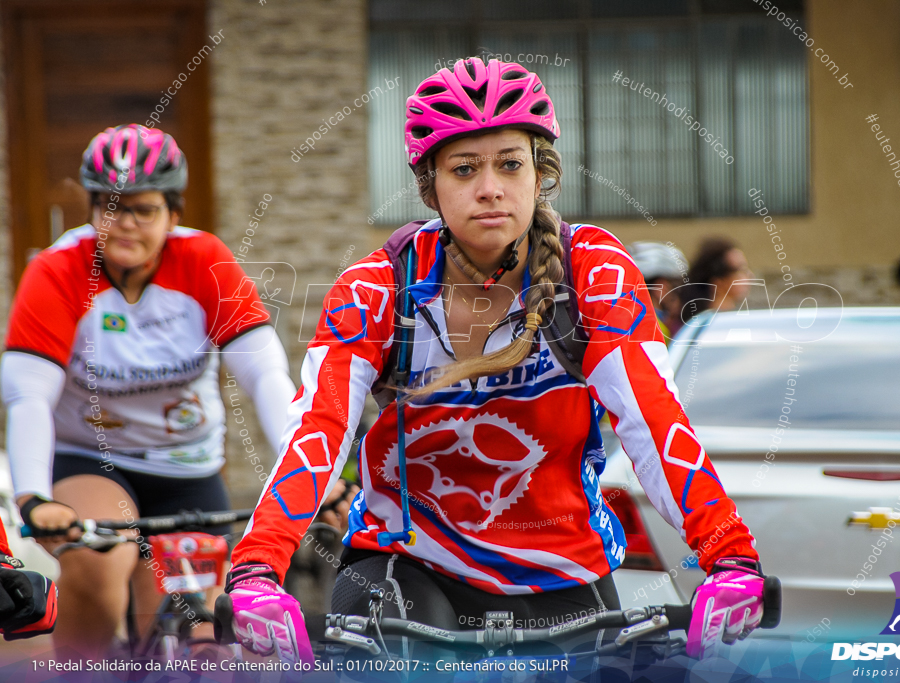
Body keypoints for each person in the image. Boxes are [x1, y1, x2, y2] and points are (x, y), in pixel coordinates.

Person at [221, 58, 771, 665]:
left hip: (565, 570)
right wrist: (256, 571)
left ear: (540, 174)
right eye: (465, 169)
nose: (490, 187)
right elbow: (319, 431)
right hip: (409, 566)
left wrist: (730, 556)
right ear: (431, 186)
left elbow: (654, 421)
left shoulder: (595, 271)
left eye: (510, 163)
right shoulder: (376, 287)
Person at [1, 124, 297, 659]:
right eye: (110, 208)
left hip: (186, 468)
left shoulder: (205, 261)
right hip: (92, 460)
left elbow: (266, 376)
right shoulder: (57, 269)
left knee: (202, 636)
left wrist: (302, 473)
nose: (125, 224)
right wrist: (33, 497)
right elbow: (28, 398)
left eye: (143, 209)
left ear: (174, 214)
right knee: (96, 568)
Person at [680, 237, 753, 324]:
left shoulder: (737, 320)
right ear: (718, 282)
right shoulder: (704, 325)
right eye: (740, 270)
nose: (750, 275)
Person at [627, 241, 688, 340]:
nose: (678, 300)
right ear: (661, 287)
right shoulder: (657, 331)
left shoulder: (626, 322)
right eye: (676, 287)